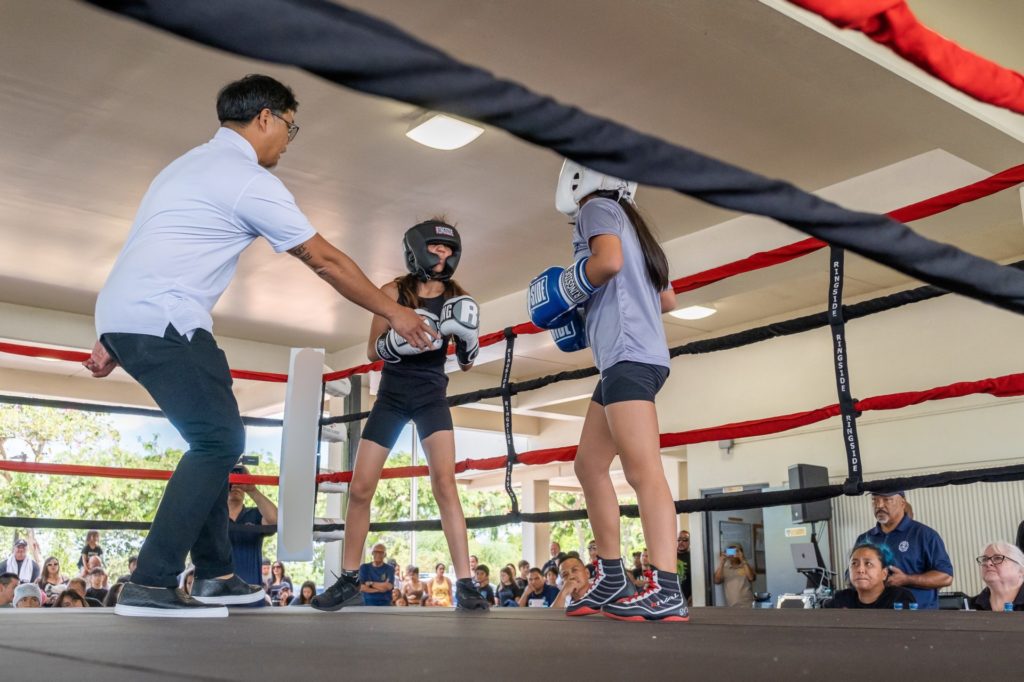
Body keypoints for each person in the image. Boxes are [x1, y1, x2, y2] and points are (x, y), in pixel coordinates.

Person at [83, 74, 434, 618]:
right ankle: (151, 582)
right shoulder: (246, 178)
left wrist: (112, 331)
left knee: (214, 438)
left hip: (136, 313)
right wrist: (394, 311)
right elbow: (324, 258)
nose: (288, 143)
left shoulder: (186, 165)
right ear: (265, 117)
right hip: (165, 316)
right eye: (290, 129)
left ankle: (219, 576)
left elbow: (147, 245)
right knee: (219, 439)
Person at [529, 163, 685, 621]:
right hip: (630, 356)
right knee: (589, 465)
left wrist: (569, 288)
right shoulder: (633, 221)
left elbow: (608, 263)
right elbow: (666, 299)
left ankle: (666, 586)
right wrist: (592, 308)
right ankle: (613, 575)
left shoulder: (595, 208)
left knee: (643, 470)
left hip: (629, 355)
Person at [313, 218, 486, 612]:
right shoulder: (393, 292)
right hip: (391, 398)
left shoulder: (460, 298)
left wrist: (469, 344)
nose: (442, 257)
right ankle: (349, 578)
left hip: (431, 398)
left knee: (445, 484)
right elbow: (373, 351)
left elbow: (467, 362)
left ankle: (466, 583)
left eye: (448, 250)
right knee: (359, 488)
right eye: (436, 249)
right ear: (417, 249)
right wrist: (397, 338)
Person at [854, 491, 953, 609]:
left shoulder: (925, 535)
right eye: (874, 500)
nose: (879, 505)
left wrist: (906, 579)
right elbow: (850, 574)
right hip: (875, 617)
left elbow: (946, 577)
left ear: (902, 503)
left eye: (887, 499)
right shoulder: (864, 538)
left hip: (917, 618)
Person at [227, 464, 277, 588]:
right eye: (232, 481)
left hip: (251, 593)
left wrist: (251, 488)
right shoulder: (214, 516)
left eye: (239, 481)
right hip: (219, 594)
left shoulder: (254, 514)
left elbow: (275, 520)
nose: (236, 485)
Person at [823, 543, 916, 609]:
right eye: (854, 563)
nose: (860, 570)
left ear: (884, 574)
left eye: (868, 564)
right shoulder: (841, 599)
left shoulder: (899, 598)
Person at [969, 542, 1024, 611]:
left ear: (1021, 570)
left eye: (998, 558)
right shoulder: (970, 606)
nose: (988, 563)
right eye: (984, 559)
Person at [677, 530, 693, 605]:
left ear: (690, 542)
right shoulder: (671, 556)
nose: (681, 542)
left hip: (688, 598)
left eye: (685, 540)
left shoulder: (693, 557)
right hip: (673, 597)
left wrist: (694, 595)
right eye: (679, 540)